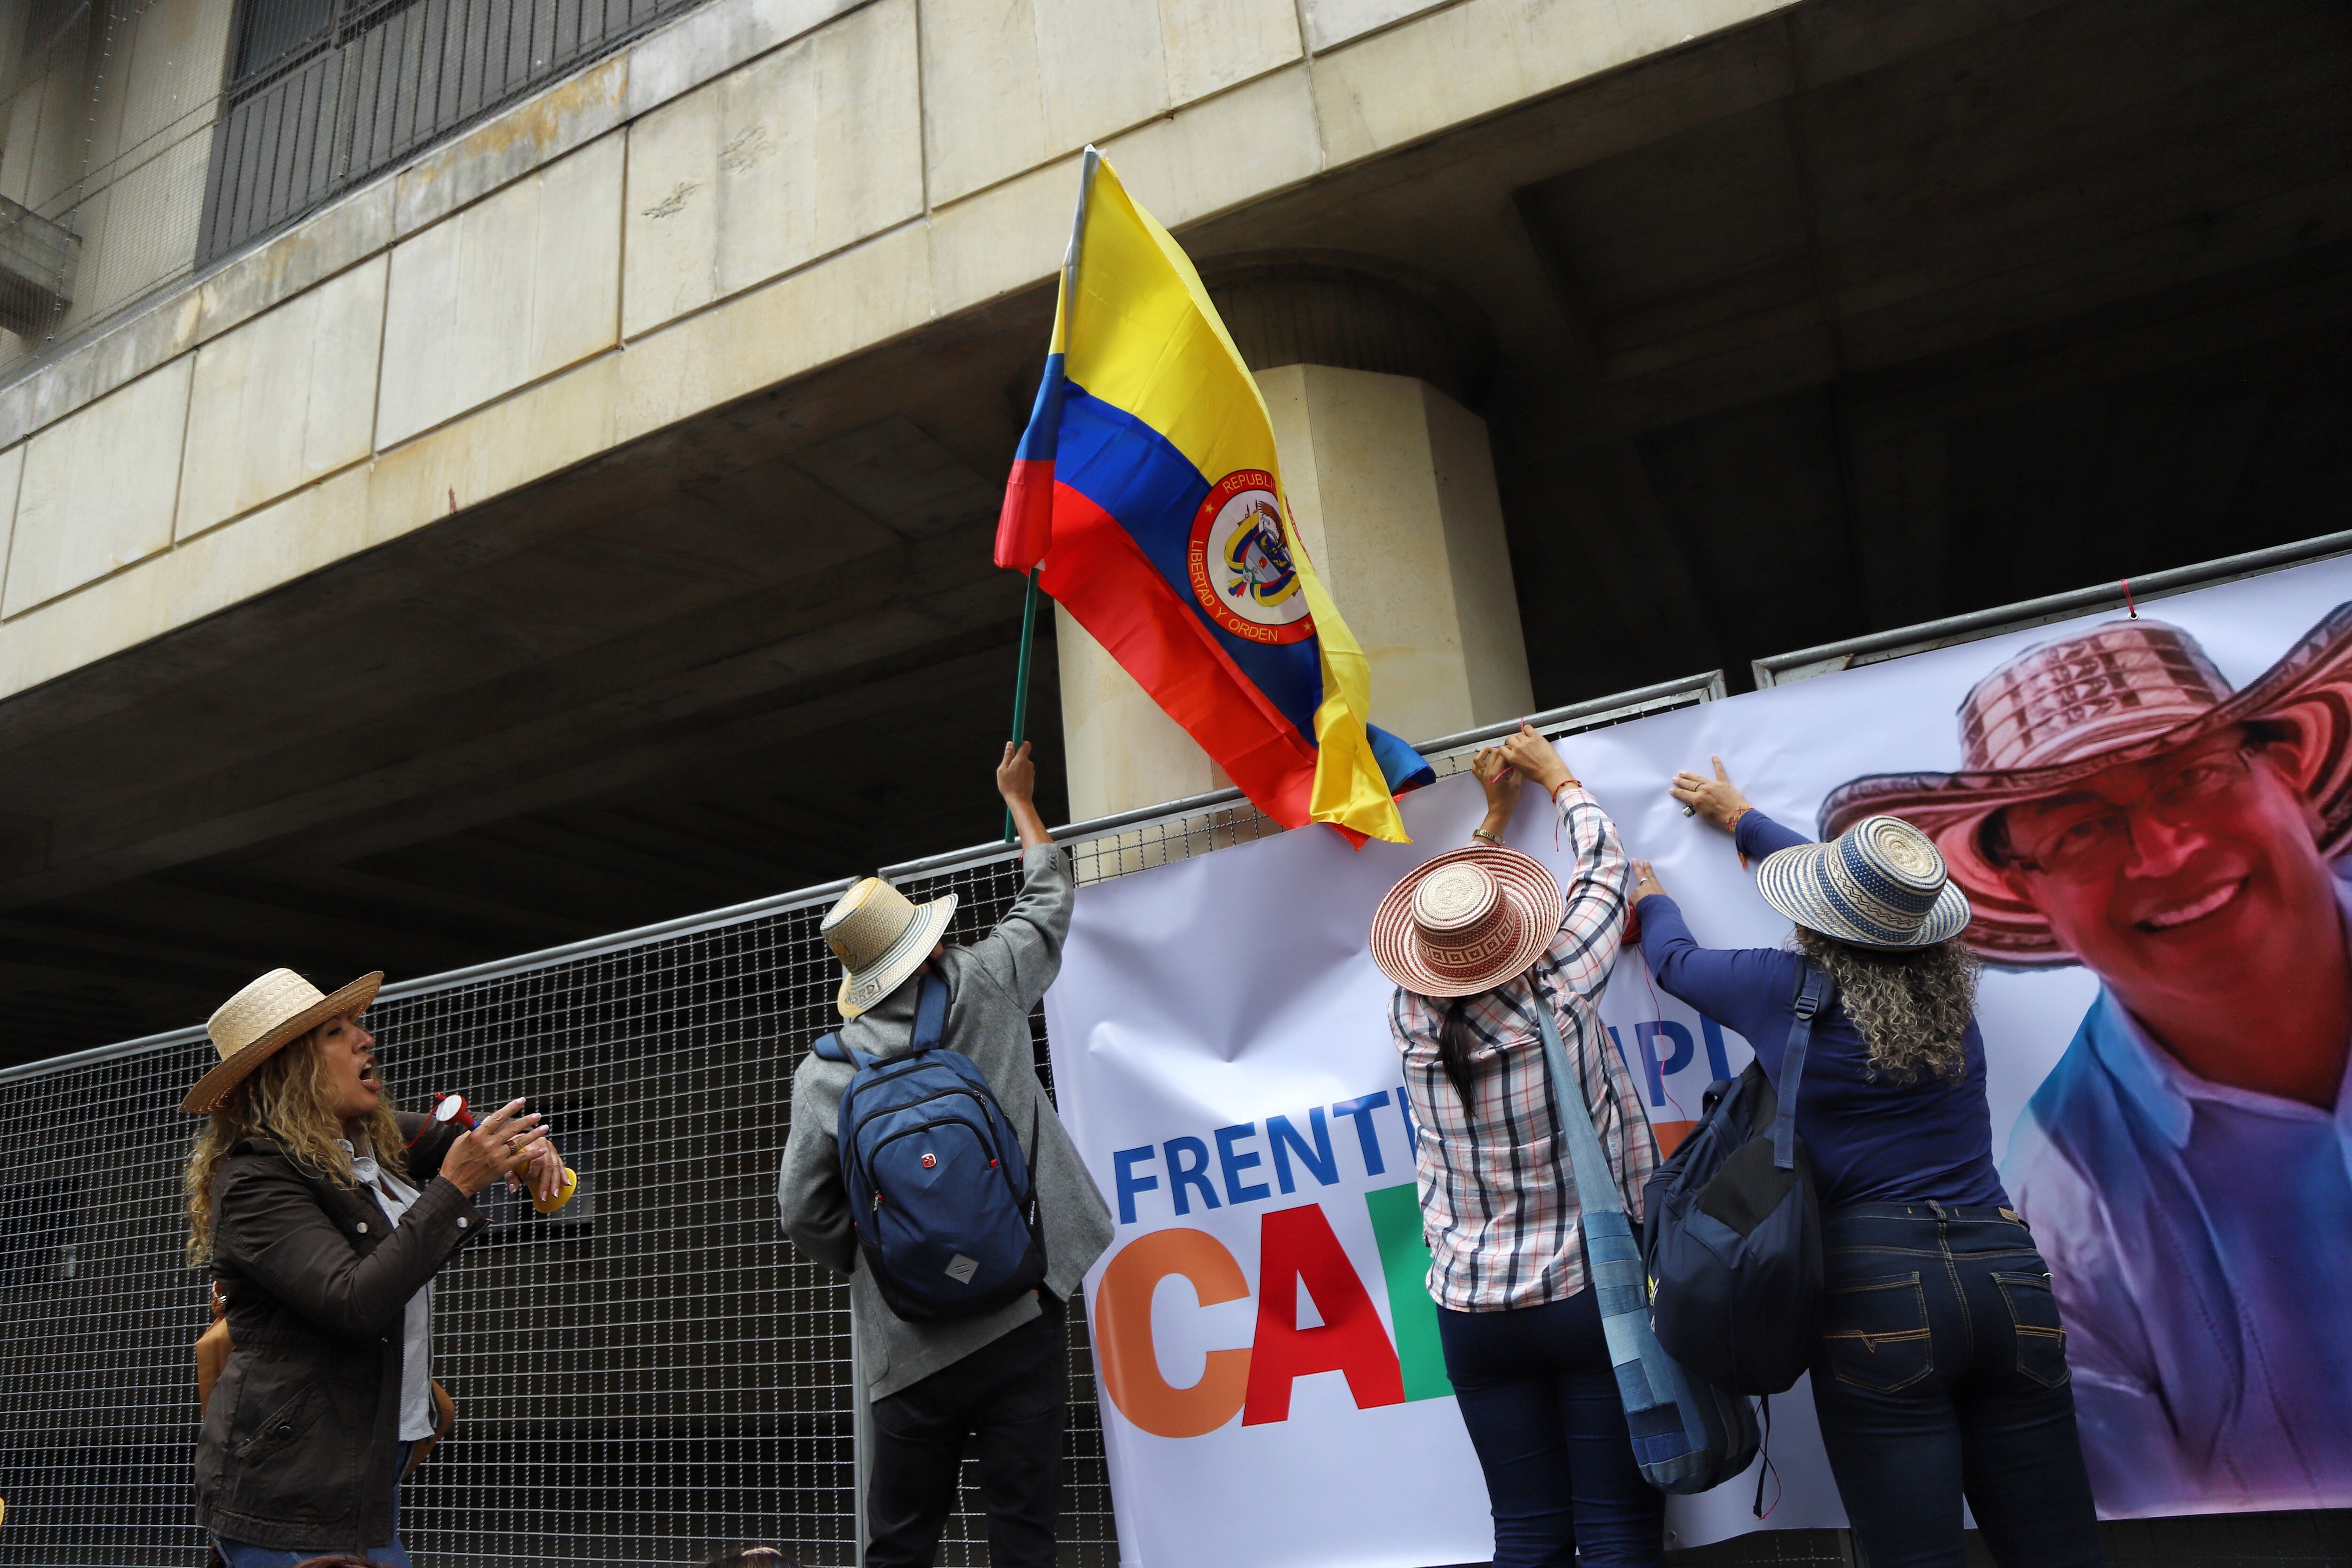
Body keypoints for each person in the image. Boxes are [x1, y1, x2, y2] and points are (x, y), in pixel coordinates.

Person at [1820, 610, 2352, 1514]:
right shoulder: (2063, 1223)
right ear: (2027, 890)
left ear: (2291, 775)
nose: (2166, 852)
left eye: (2194, 777)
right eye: (2082, 830)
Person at [1637, 762, 2103, 1568]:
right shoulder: (1953, 1004)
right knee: (2058, 1551)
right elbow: (1882, 899)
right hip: (2007, 1275)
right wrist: (1747, 819)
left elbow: (1674, 962)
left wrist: (1651, 897)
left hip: (1876, 1287)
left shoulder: (1781, 987)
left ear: (1818, 916)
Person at [778, 742, 1113, 1568]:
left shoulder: (825, 1071)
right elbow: (1047, 899)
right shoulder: (985, 982)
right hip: (1022, 1299)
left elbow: (803, 1211)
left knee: (902, 1543)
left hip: (908, 1335)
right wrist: (1021, 801)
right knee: (1024, 1535)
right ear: (925, 944)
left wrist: (889, 1249)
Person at [1371, 726, 1664, 1568]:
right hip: (1588, 1294)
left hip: (1472, 1312)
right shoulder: (1563, 989)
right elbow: (1604, 870)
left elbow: (1451, 948)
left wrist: (1491, 824)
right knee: (1618, 1528)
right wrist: (1557, 777)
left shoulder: (1410, 1022)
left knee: (1528, 1533)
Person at [185, 967, 564, 1568]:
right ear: (290, 1069)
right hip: (292, 1492)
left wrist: (521, 1147)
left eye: (356, 1025)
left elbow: (459, 1138)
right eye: (336, 1033)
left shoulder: (369, 1142)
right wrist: (455, 1187)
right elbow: (354, 1301)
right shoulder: (257, 1181)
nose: (366, 1039)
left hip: (364, 1469)